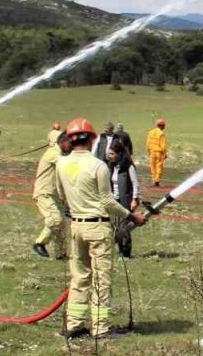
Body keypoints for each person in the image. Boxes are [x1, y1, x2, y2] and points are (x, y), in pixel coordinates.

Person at [55, 118, 146, 340]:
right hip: (97, 227)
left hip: (75, 226)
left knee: (79, 278)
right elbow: (107, 201)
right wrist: (131, 216)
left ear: (70, 139)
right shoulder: (98, 166)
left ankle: (74, 326)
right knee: (101, 280)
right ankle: (100, 328)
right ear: (91, 139)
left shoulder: (61, 164)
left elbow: (61, 194)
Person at [32, 130, 73, 259]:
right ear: (62, 142)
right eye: (70, 143)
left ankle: (61, 253)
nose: (71, 147)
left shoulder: (59, 153)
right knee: (55, 219)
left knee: (61, 224)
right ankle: (39, 243)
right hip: (44, 192)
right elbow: (68, 166)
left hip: (53, 194)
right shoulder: (53, 153)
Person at [106, 140, 140, 258]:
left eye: (112, 154)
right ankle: (120, 249)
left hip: (126, 200)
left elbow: (135, 184)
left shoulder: (129, 167)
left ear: (119, 154)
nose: (109, 156)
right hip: (114, 200)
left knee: (124, 226)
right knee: (115, 225)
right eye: (109, 154)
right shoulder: (111, 166)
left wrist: (135, 199)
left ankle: (126, 252)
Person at [145, 118, 168, 187]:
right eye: (164, 125)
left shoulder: (150, 132)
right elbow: (163, 145)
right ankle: (157, 181)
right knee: (159, 166)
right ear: (162, 126)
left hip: (152, 151)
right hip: (159, 152)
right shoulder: (161, 133)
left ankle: (154, 179)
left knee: (152, 166)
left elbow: (148, 143)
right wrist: (165, 153)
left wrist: (148, 151)